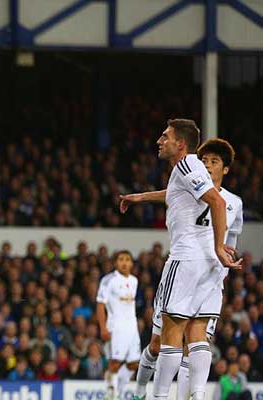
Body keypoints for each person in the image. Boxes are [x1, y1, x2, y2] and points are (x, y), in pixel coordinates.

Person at [119, 121, 241, 400]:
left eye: (165, 136)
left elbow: (217, 203)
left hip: (186, 258)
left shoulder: (187, 165)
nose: (159, 141)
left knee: (169, 336)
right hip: (209, 266)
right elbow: (175, 193)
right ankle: (197, 396)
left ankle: (159, 396)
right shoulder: (193, 171)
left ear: (181, 144)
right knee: (198, 336)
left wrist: (220, 246)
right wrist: (141, 197)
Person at [96, 250, 140, 399]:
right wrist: (102, 327)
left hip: (132, 328)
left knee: (134, 363)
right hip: (116, 327)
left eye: (128, 259)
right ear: (116, 262)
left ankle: (116, 392)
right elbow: (100, 304)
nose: (124, 262)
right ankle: (111, 394)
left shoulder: (134, 281)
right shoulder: (109, 280)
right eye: (121, 259)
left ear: (132, 263)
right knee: (115, 363)